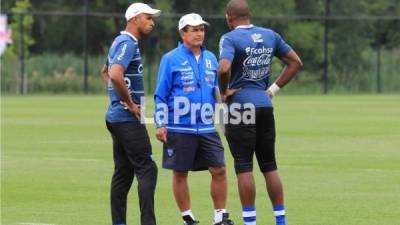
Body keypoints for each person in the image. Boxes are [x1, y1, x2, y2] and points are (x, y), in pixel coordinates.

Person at [217, 1, 303, 225]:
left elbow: (224, 68)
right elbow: (295, 62)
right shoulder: (270, 35)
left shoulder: (230, 38)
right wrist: (272, 90)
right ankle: (281, 220)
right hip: (265, 105)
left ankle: (250, 222)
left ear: (229, 18)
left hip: (240, 107)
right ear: (249, 15)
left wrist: (224, 92)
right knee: (269, 165)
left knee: (244, 165)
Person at [154, 13, 234, 225]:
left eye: (201, 29)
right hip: (179, 126)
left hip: (207, 127)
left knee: (219, 169)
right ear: (183, 33)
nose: (199, 33)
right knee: (180, 173)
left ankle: (220, 217)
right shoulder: (170, 59)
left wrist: (225, 118)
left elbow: (217, 92)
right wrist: (160, 123)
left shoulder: (211, 58)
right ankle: (187, 217)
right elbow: (160, 94)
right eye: (194, 29)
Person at [101, 3, 161, 225]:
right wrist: (128, 102)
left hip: (116, 118)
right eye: (148, 17)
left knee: (124, 172)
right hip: (126, 119)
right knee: (148, 168)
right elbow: (115, 74)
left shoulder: (118, 41)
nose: (152, 22)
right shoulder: (127, 42)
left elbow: (105, 72)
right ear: (135, 18)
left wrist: (116, 97)